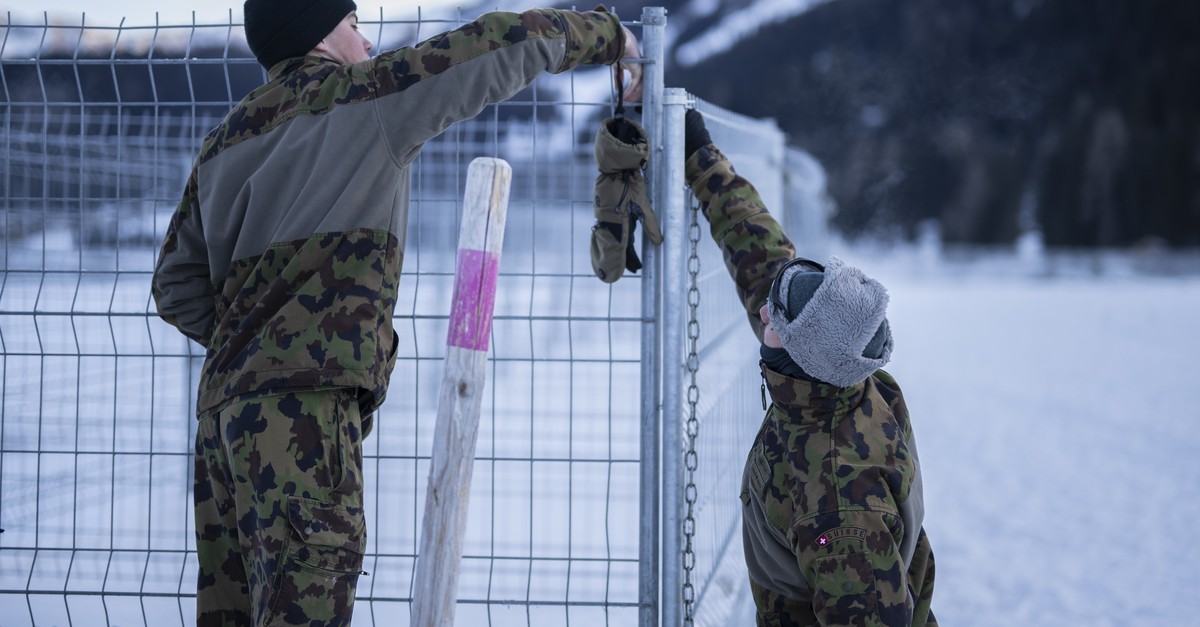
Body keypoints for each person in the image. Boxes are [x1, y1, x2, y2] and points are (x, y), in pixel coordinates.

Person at [151, 1, 641, 624]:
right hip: (302, 419)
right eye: (354, 24)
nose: (368, 37)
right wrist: (612, 36)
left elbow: (175, 284)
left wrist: (253, 341)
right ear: (321, 36)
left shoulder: (226, 139)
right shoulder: (365, 98)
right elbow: (500, 41)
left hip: (221, 425)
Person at [682, 109, 938, 626]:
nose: (763, 309)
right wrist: (700, 157)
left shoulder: (843, 504)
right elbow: (759, 251)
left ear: (804, 354)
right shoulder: (830, 372)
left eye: (776, 315)